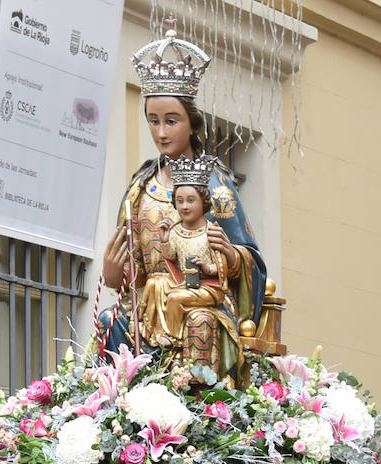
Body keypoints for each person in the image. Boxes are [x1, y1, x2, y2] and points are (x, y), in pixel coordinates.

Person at [99, 28, 265, 370]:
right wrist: (114, 275)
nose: (161, 133)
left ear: (192, 124)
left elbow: (252, 262)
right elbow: (130, 275)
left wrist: (232, 257)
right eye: (154, 121)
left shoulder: (215, 186)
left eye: (171, 121)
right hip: (149, 307)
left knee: (198, 324)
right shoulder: (139, 189)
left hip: (199, 303)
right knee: (109, 322)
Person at [141, 168, 241, 373]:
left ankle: (173, 341)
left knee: (175, 298)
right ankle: (150, 332)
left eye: (190, 200)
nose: (185, 206)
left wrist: (206, 267)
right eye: (180, 201)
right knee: (154, 284)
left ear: (203, 202)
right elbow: (170, 257)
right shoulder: (177, 230)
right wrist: (165, 238)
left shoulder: (211, 231)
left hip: (209, 288)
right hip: (184, 283)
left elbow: (220, 267)